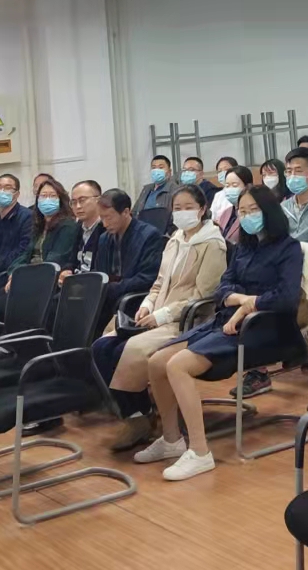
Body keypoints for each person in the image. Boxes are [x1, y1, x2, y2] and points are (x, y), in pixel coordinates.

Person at [136, 182, 303, 482]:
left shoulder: (288, 249)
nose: (247, 216)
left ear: (269, 211)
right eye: (243, 211)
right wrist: (240, 300)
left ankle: (200, 452)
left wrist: (249, 305)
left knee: (177, 366)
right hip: (227, 322)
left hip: (263, 329)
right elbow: (223, 287)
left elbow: (286, 297)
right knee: (156, 362)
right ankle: (172, 440)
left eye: (254, 210)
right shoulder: (244, 247)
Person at [95, 184, 230, 451]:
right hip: (158, 313)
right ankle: (137, 412)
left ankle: (142, 419)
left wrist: (162, 314)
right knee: (102, 346)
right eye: (177, 208)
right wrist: (147, 304)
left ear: (202, 209)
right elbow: (158, 282)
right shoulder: (175, 240)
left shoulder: (213, 244)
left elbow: (204, 295)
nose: (182, 213)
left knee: (127, 349)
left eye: (189, 207)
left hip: (188, 320)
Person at [91, 189, 166, 327]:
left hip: (132, 298)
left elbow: (148, 277)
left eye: (109, 217)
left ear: (126, 212)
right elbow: (99, 272)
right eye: (102, 218)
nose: (105, 224)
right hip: (107, 295)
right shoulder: (104, 238)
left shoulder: (149, 236)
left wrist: (112, 288)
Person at [13, 177, 78, 274]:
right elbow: (25, 255)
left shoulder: (67, 226)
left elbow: (57, 258)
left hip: (46, 276)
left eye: (52, 196)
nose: (47, 199)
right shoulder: (38, 225)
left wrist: (25, 275)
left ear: (60, 200)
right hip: (28, 273)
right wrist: (14, 271)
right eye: (43, 196)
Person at [0, 173, 33, 279]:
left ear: (17, 194)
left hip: (12, 272)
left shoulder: (28, 216)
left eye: (7, 188)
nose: (2, 191)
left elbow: (24, 250)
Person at [67, 179, 104, 276]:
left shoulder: (106, 229)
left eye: (82, 200)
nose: (78, 206)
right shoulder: (77, 228)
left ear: (98, 200)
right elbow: (72, 261)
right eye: (73, 202)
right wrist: (67, 271)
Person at [211, 165, 251, 236]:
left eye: (235, 185)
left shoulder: (252, 212)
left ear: (247, 186)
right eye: (227, 186)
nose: (230, 189)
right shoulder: (226, 212)